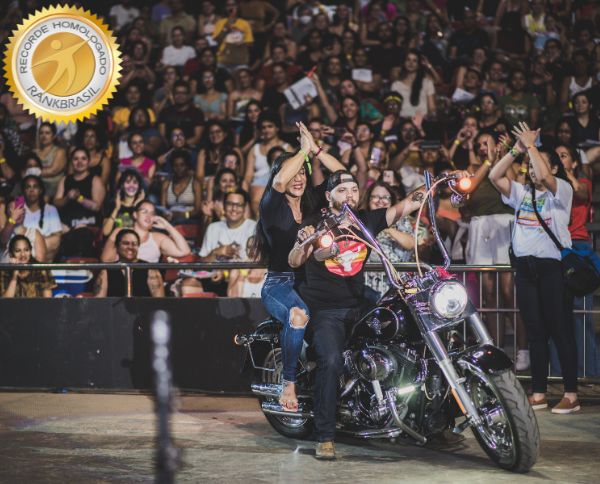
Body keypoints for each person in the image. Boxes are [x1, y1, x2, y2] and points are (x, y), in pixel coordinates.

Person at [288, 169, 446, 459]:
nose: (349, 195)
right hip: (326, 311)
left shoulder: (366, 221)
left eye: (353, 190)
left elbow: (408, 204)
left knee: (407, 330)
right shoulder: (316, 224)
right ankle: (324, 436)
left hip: (360, 304)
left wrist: (434, 183)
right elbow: (295, 259)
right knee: (331, 360)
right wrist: (306, 241)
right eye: (341, 190)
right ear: (328, 196)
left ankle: (423, 416)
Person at [250, 121, 345, 413]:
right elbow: (279, 182)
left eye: (303, 172)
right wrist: (302, 152)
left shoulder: (313, 202)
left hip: (314, 281)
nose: (299, 178)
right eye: (295, 172)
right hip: (280, 283)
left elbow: (343, 177)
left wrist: (315, 150)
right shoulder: (271, 205)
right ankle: (288, 382)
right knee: (298, 314)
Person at [489, 121, 579, 414]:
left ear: (552, 168)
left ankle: (571, 393)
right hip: (526, 270)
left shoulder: (561, 190)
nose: (530, 168)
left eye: (535, 163)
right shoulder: (521, 193)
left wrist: (532, 146)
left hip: (551, 268)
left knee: (560, 329)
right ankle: (539, 391)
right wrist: (516, 149)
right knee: (536, 331)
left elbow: (543, 173)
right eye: (527, 164)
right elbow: (494, 175)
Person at [101, 199, 191, 263]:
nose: (148, 216)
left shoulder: (158, 238)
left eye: (152, 213)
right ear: (135, 215)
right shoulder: (120, 232)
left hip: (148, 281)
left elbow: (184, 251)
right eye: (144, 212)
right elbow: (106, 260)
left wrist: (167, 225)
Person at [93, 229, 164, 297]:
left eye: (134, 244)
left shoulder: (150, 270)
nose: (130, 247)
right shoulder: (106, 271)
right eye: (126, 243)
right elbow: (99, 301)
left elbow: (159, 302)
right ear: (117, 246)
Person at [198, 188, 256, 262]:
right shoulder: (213, 228)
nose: (234, 208)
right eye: (230, 204)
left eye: (239, 205)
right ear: (224, 206)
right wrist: (216, 252)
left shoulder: (254, 228)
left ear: (244, 207)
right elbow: (201, 263)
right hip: (216, 273)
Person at [20, 175, 62, 262]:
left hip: (43, 257)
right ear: (23, 191)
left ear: (40, 190)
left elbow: (56, 240)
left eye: (35, 187)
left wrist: (33, 242)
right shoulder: (18, 210)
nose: (31, 190)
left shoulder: (51, 209)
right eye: (28, 187)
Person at [161, 150, 202, 224]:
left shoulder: (195, 183)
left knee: (178, 221)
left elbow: (197, 210)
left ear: (187, 166)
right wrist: (166, 215)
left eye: (182, 165)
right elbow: (163, 208)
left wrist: (180, 215)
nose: (178, 168)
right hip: (171, 218)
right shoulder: (167, 184)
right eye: (175, 165)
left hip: (189, 218)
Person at [102, 169, 146, 237]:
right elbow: (105, 232)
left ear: (139, 187)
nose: (131, 186)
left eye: (135, 182)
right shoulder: (112, 204)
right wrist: (116, 209)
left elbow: (142, 232)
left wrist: (136, 206)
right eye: (128, 182)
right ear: (122, 185)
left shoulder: (144, 207)